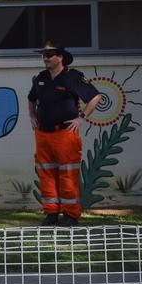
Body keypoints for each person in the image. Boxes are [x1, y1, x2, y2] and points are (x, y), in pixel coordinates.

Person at [28, 42, 103, 226]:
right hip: (43, 134)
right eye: (44, 54)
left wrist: (81, 117)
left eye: (50, 54)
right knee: (46, 173)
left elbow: (95, 96)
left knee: (67, 174)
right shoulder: (41, 78)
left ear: (60, 57)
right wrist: (31, 116)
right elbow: (31, 98)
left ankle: (70, 215)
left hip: (65, 134)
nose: (45, 58)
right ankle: (51, 213)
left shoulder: (73, 76)